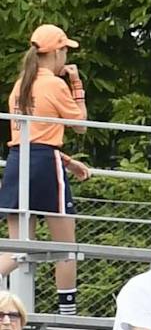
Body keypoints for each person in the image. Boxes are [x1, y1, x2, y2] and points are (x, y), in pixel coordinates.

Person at [7, 23, 86, 300]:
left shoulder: (20, 85)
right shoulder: (55, 84)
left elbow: (30, 137)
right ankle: (68, 314)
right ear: (57, 52)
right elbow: (80, 125)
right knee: (66, 247)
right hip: (44, 162)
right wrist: (76, 84)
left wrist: (66, 161)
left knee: (18, 247)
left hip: (18, 161)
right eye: (65, 50)